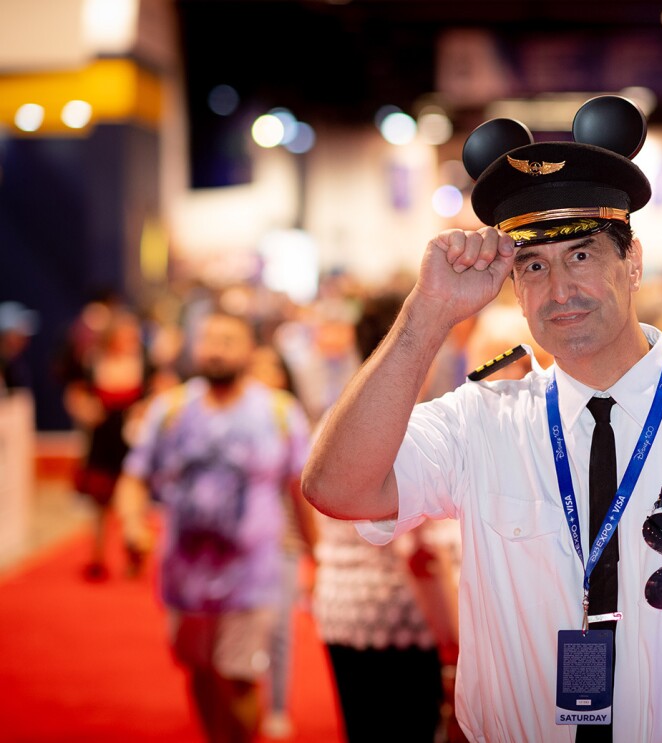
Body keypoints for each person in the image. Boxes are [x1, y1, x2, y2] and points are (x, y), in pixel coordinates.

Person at [303, 96, 662, 742]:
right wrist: (428, 313)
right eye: (533, 267)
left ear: (631, 262)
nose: (558, 290)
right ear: (514, 287)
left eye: (580, 255)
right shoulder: (481, 423)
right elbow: (336, 487)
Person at [113, 310, 313, 743]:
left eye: (228, 340)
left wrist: (315, 558)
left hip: (253, 575)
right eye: (208, 339)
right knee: (200, 672)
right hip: (184, 575)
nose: (217, 349)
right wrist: (132, 524)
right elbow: (134, 476)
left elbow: (300, 490)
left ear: (249, 350)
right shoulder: (169, 411)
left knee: (240, 676)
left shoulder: (279, 412)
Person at [311, 290, 461, 743]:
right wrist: (454, 642)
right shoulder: (406, 426)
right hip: (402, 621)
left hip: (338, 605)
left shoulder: (336, 420)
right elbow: (419, 556)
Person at [246, 342, 315, 739]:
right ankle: (246, 696)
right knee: (244, 625)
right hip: (241, 545)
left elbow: (300, 486)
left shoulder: (287, 414)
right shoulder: (235, 413)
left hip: (283, 539)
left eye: (270, 366)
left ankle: (275, 707)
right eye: (256, 366)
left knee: (279, 630)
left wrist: (310, 546)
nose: (262, 374)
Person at [63, 306, 152, 581]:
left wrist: (144, 410)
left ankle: (134, 550)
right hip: (102, 440)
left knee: (133, 502)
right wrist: (84, 408)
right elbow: (75, 392)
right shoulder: (94, 362)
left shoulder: (144, 364)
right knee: (99, 504)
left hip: (132, 441)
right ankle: (98, 556)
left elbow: (160, 392)